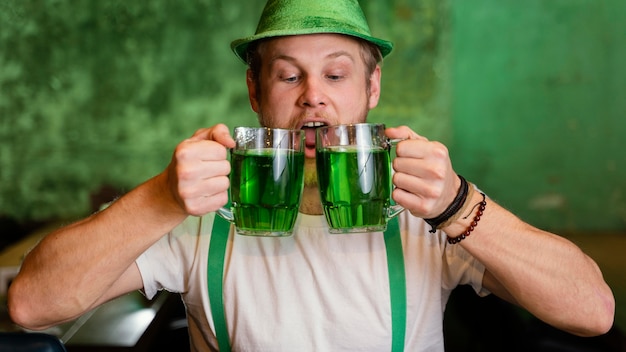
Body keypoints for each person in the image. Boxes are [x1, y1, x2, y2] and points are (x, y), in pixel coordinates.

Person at [8, 0, 615, 351]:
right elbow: (32, 306)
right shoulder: (196, 216)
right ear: (255, 90)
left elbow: (593, 312)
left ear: (372, 87)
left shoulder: (424, 212)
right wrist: (159, 198)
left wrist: (459, 205)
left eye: (336, 73)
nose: (312, 100)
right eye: (288, 75)